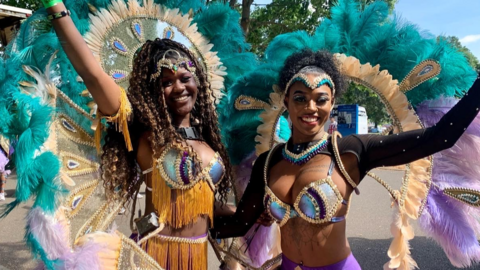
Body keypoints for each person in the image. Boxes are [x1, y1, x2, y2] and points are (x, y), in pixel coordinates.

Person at [210, 50, 480, 269]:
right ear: (286, 101)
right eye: (300, 98)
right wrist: (183, 211)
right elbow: (239, 223)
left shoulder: (350, 151)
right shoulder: (268, 162)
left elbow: (439, 138)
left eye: (321, 99)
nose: (311, 108)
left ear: (332, 102)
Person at [46, 1, 235, 269]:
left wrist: (244, 215)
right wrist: (56, 8)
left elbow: (203, 206)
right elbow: (92, 74)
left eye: (185, 77)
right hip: (154, 257)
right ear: (152, 91)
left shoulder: (206, 138)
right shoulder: (144, 132)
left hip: (198, 259)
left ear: (199, 81)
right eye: (166, 82)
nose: (179, 87)